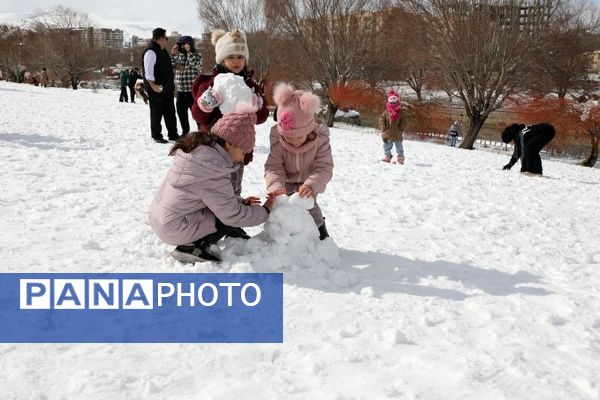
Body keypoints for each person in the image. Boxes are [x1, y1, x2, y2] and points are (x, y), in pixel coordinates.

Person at [149, 109, 275, 263]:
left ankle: (192, 240)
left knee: (225, 212)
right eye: (243, 152)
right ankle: (191, 247)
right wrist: (266, 210)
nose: (243, 158)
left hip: (162, 219)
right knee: (226, 220)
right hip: (175, 228)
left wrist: (241, 203)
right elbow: (232, 215)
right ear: (229, 143)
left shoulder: (201, 154)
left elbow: (213, 197)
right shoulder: (213, 169)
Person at [190, 28, 269, 239]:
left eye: (240, 57)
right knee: (213, 187)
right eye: (230, 56)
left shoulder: (249, 84)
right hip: (212, 148)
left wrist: (258, 103)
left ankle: (231, 223)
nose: (236, 61)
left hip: (238, 149)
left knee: (233, 186)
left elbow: (261, 118)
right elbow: (198, 115)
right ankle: (209, 222)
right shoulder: (210, 83)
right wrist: (209, 101)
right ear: (221, 58)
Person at [265, 82, 334, 240]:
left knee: (310, 209)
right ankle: (281, 239)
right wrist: (276, 186)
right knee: (281, 209)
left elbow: (324, 167)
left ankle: (320, 235)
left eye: (299, 137)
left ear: (309, 129)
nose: (293, 142)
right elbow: (273, 166)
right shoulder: (277, 137)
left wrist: (311, 185)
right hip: (286, 182)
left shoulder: (320, 139)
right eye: (288, 137)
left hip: (307, 185)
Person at [142, 27, 180, 144]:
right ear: (160, 38)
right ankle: (156, 135)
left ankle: (173, 134)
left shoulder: (162, 50)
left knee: (170, 112)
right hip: (156, 88)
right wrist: (153, 86)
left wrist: (175, 66)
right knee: (156, 112)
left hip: (167, 87)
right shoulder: (151, 51)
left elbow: (164, 67)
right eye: (166, 38)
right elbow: (148, 72)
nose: (167, 40)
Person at [171, 36, 203, 137]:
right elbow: (170, 65)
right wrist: (173, 53)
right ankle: (185, 132)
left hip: (192, 91)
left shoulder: (197, 55)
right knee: (181, 113)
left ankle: (201, 133)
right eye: (181, 46)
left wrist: (189, 52)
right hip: (180, 91)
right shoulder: (179, 56)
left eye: (185, 45)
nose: (183, 47)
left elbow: (197, 65)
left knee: (197, 114)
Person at [378, 90, 409, 164]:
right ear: (389, 102)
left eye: (395, 102)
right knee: (387, 146)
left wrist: (401, 129)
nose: (393, 103)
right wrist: (384, 128)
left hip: (397, 133)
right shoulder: (386, 112)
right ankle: (387, 156)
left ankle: (400, 158)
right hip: (388, 133)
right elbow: (381, 120)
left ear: (397, 101)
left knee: (399, 147)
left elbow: (404, 121)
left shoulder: (401, 112)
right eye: (391, 102)